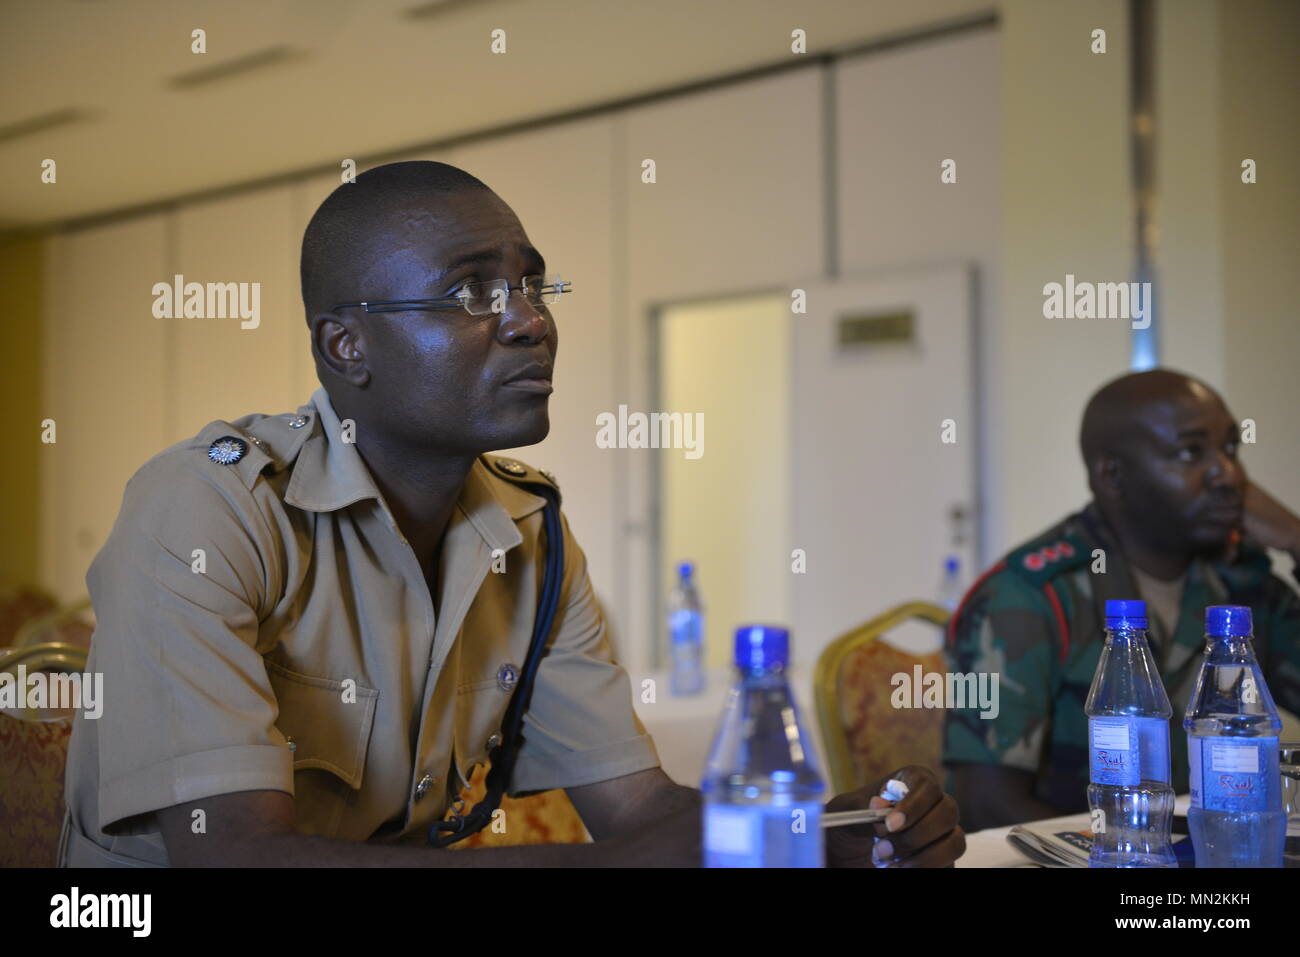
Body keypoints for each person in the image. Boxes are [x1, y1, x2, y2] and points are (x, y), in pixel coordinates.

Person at [61, 160, 964, 867]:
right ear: (347, 346)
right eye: (472, 293)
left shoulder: (529, 533)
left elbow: (640, 810)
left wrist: (834, 833)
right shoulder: (206, 509)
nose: (531, 321)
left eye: (533, 285)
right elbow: (239, 860)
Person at [944, 369, 1300, 831]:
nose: (1229, 475)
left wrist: (1295, 538)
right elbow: (985, 802)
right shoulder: (1028, 596)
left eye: (1230, 448)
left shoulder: (1242, 585)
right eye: (1192, 452)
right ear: (1111, 475)